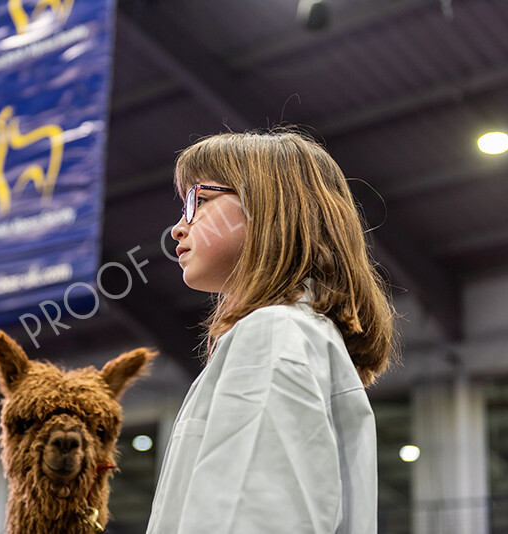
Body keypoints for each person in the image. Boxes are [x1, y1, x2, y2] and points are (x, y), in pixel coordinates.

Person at [146, 130, 397, 534]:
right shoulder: (291, 334)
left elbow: (250, 518)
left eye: (199, 200)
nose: (178, 228)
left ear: (266, 205)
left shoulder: (273, 334)